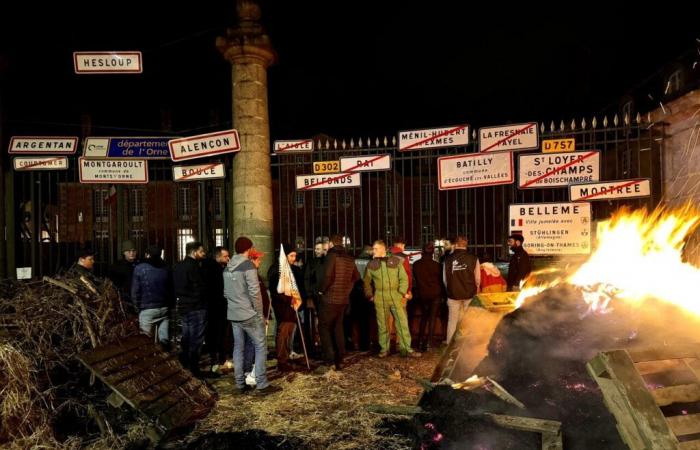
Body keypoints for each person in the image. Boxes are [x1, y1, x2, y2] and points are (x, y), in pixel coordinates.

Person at [224, 236, 281, 396]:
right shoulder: (248, 265)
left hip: (234, 313)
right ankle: (262, 383)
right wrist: (259, 313)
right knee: (260, 346)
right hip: (249, 314)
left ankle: (240, 383)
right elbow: (255, 292)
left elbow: (226, 292)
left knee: (238, 347)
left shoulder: (228, 267)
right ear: (248, 249)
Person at [363, 240, 420, 358]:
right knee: (382, 325)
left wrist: (401, 292)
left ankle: (406, 349)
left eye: (376, 249)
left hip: (395, 296)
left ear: (383, 249)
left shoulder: (396, 261)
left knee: (402, 323)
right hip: (380, 297)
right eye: (373, 249)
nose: (373, 251)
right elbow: (366, 282)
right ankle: (385, 349)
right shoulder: (371, 264)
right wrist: (370, 295)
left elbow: (404, 278)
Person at [318, 234, 360, 370]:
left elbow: (328, 275)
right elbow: (356, 277)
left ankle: (329, 358)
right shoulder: (349, 258)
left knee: (324, 327)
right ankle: (341, 357)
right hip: (343, 299)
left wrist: (321, 290)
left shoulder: (331, 256)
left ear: (331, 243)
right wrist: (346, 291)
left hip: (330, 298)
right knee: (338, 327)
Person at [173, 241, 207, 377]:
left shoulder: (178, 266)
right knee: (196, 339)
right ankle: (194, 367)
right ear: (194, 252)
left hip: (183, 306)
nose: (203, 254)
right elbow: (200, 287)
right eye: (201, 251)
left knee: (186, 337)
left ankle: (184, 363)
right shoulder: (195, 267)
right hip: (196, 307)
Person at [268, 244, 303, 372]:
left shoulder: (291, 269)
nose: (294, 258)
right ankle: (282, 359)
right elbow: (275, 291)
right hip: (283, 306)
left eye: (295, 256)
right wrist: (288, 299)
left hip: (291, 305)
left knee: (290, 331)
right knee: (283, 332)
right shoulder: (276, 269)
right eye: (291, 256)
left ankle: (286, 356)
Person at [131, 245, 172, 347]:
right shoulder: (166, 267)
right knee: (164, 340)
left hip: (147, 310)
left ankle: (152, 361)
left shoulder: (140, 268)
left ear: (147, 255)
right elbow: (171, 288)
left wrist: (136, 307)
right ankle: (167, 359)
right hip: (164, 308)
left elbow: (135, 291)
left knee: (145, 342)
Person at [444, 236, 480, 344]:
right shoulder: (473, 258)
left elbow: (445, 279)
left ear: (456, 244)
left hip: (453, 294)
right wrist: (476, 289)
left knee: (452, 321)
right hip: (469, 293)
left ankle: (450, 343)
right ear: (466, 245)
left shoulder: (448, 259)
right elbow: (477, 278)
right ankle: (469, 343)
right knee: (469, 320)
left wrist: (449, 289)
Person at [202, 246, 231, 375]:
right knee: (217, 334)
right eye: (225, 256)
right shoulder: (214, 269)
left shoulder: (215, 267)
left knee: (218, 334)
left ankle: (218, 360)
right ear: (217, 256)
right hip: (216, 307)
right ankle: (217, 361)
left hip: (215, 306)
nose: (228, 258)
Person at [412, 242, 444, 352]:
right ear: (432, 252)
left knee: (424, 317)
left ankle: (420, 340)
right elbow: (441, 281)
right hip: (435, 294)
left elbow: (415, 279)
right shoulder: (437, 266)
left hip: (422, 294)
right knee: (432, 318)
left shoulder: (416, 265)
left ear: (422, 251)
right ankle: (429, 342)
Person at [108, 240, 139, 307]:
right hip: (124, 300)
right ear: (124, 252)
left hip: (138, 298)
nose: (132, 253)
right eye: (129, 251)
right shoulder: (117, 266)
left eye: (133, 251)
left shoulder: (139, 264)